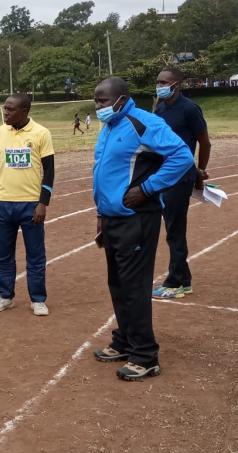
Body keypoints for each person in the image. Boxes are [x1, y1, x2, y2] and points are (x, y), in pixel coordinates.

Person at [90, 77, 193, 381]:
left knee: (134, 286)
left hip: (136, 218)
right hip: (112, 218)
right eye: (96, 101)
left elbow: (182, 157)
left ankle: (145, 355)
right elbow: (104, 173)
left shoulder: (143, 123)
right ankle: (125, 340)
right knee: (118, 284)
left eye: (103, 101)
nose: (98, 107)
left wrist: (147, 188)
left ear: (121, 99)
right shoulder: (109, 127)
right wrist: (100, 213)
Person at [0, 93, 54, 317]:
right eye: (5, 109)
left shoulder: (41, 133)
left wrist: (42, 203)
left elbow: (50, 171)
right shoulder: (0, 132)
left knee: (35, 254)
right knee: (3, 253)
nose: (5, 113)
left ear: (24, 111)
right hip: (4, 202)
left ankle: (38, 299)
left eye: (10, 109)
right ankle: (5, 296)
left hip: (31, 205)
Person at [151, 67, 211, 300]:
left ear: (177, 84)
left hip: (181, 176)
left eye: (164, 82)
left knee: (175, 230)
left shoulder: (190, 109)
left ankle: (176, 282)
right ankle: (183, 279)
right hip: (162, 175)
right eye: (158, 82)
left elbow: (204, 143)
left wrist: (200, 171)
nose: (160, 86)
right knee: (171, 228)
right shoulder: (160, 108)